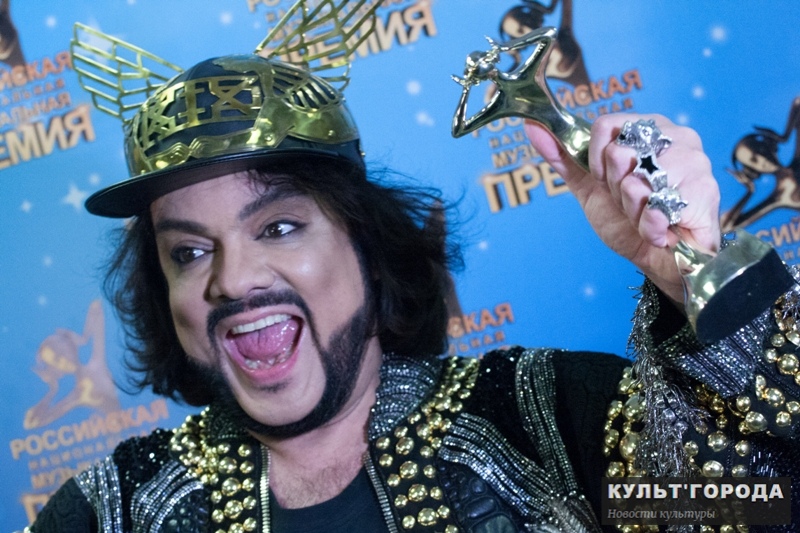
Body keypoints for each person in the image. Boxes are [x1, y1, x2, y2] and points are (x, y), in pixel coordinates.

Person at [22, 49, 800, 533]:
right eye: (189, 251)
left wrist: (702, 276)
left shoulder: (547, 416)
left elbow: (757, 508)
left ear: (366, 244)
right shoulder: (110, 509)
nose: (232, 279)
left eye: (279, 227)